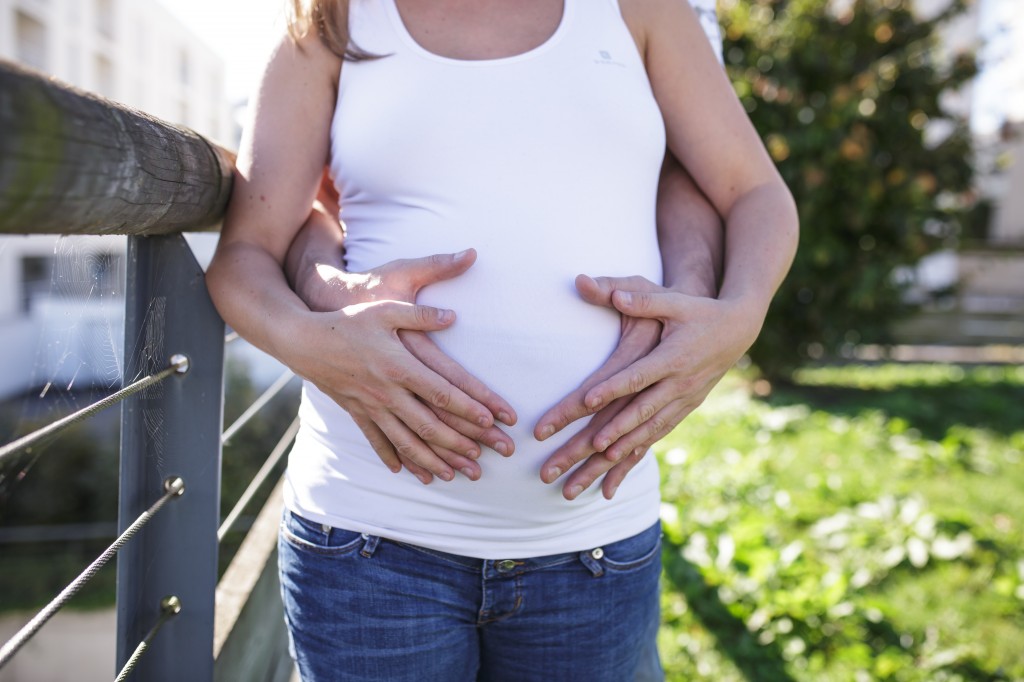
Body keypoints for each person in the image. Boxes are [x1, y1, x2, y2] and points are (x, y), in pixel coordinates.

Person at [205, 0, 798, 680]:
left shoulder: (641, 9)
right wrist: (314, 344)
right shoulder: (330, 21)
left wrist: (740, 317)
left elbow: (755, 192)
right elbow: (244, 257)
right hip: (368, 540)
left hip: (594, 544)